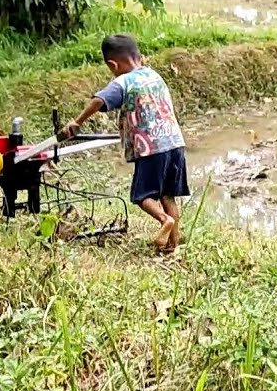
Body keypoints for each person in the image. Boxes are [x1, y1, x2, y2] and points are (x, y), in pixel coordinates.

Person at [62, 34, 189, 252]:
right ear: (140, 57)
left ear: (113, 64)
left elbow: (99, 100)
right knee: (169, 195)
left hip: (151, 148)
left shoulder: (123, 81)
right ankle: (172, 245)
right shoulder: (154, 75)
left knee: (142, 196)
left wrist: (77, 122)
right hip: (175, 143)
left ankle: (164, 221)